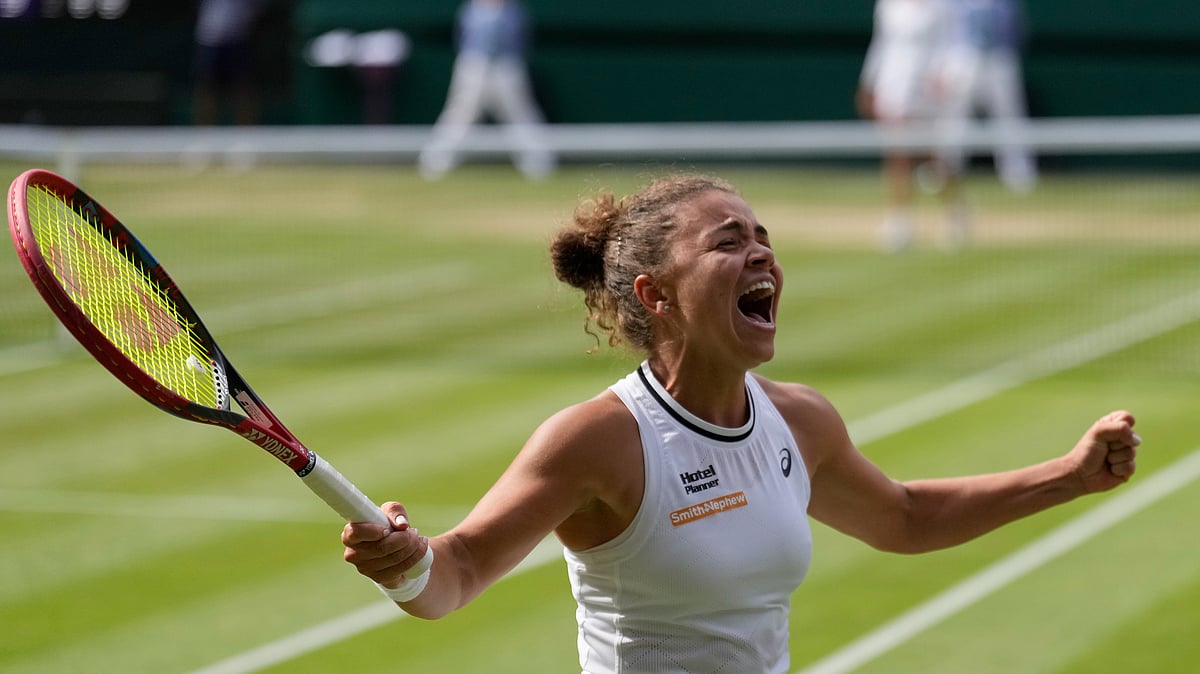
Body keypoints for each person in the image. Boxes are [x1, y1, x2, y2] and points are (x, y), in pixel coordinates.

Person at [342, 174, 1140, 674]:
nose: (761, 255)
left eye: (764, 238)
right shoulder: (599, 439)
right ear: (656, 295)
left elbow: (904, 517)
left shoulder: (799, 420)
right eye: (730, 243)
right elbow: (460, 574)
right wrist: (405, 563)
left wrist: (1069, 475)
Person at [857, 0, 970, 251]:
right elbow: (881, 45)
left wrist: (944, 75)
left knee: (932, 157)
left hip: (928, 90)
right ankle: (901, 222)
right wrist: (869, 82)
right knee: (898, 154)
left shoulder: (942, 7)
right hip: (893, 86)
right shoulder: (888, 5)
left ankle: (956, 212)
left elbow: (951, 44)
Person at [417, 0, 556, 181]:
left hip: (507, 68)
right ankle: (435, 162)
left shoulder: (514, 11)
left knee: (520, 114)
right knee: (460, 115)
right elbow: (462, 38)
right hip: (474, 66)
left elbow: (522, 40)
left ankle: (539, 162)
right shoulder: (470, 9)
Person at [936, 0, 1038, 194]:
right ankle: (947, 171)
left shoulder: (1006, 4)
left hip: (999, 57)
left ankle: (1018, 173)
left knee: (1009, 117)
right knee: (954, 120)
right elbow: (944, 29)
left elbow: (1016, 28)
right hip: (962, 59)